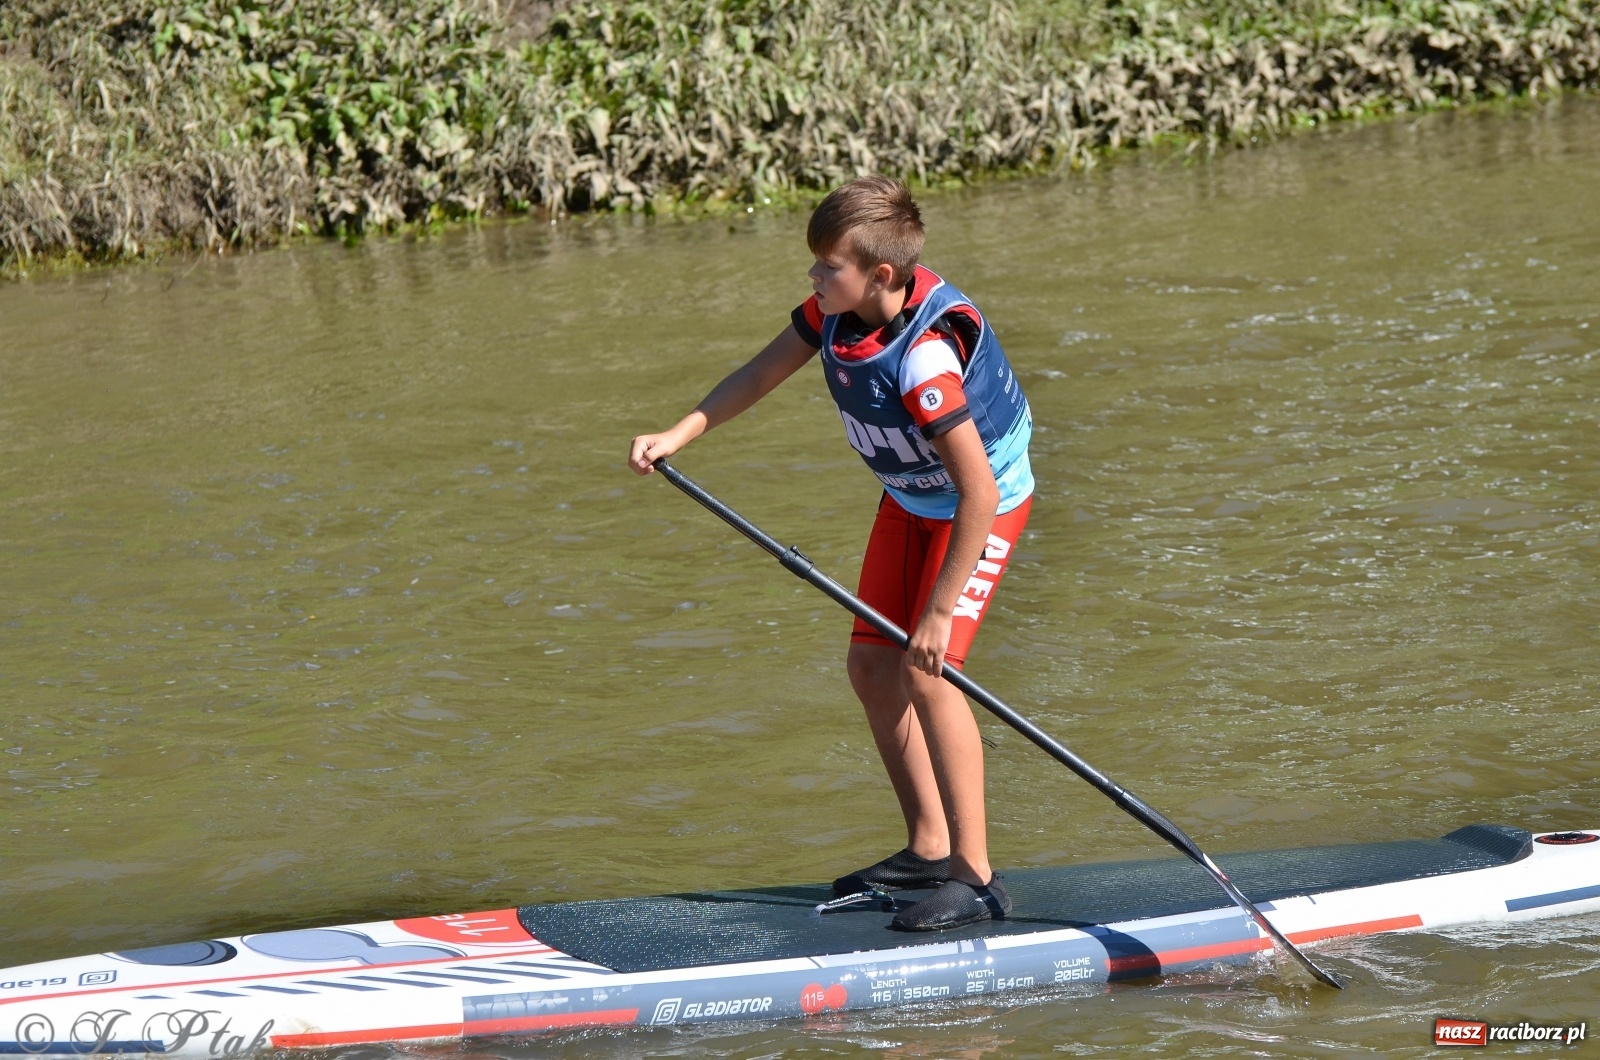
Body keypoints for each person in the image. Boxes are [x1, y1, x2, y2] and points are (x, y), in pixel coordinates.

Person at [627, 175, 1033, 931]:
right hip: (911, 499)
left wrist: (939, 611)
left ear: (880, 274)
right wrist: (678, 433)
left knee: (930, 673)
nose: (814, 276)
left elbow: (978, 492)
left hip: (980, 509)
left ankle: (976, 878)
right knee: (871, 667)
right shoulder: (836, 314)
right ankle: (929, 846)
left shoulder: (927, 362)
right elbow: (759, 373)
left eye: (828, 265)